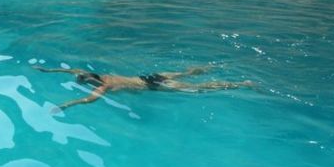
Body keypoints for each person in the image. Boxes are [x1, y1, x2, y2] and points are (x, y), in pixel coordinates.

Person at [34, 65, 253, 112]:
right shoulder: (102, 75)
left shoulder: (105, 86)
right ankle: (207, 67)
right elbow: (72, 70)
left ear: (90, 81)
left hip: (155, 85)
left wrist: (64, 106)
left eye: (82, 81)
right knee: (186, 73)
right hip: (150, 76)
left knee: (198, 88)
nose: (80, 79)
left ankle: (240, 84)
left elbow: (87, 101)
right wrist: (49, 71)